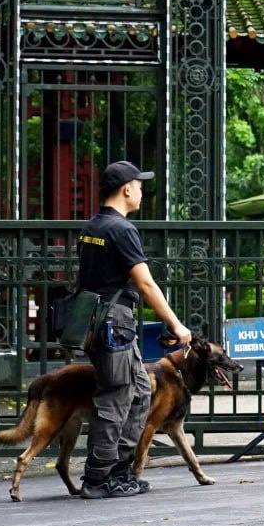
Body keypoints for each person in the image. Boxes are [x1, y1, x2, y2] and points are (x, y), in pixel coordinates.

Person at [75, 161, 192, 499]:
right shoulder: (121, 229)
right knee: (115, 398)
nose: (142, 192)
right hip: (114, 323)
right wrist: (175, 324)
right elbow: (146, 284)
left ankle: (119, 470)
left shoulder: (92, 227)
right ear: (126, 189)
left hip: (99, 321)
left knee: (140, 391)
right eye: (140, 186)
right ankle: (98, 477)